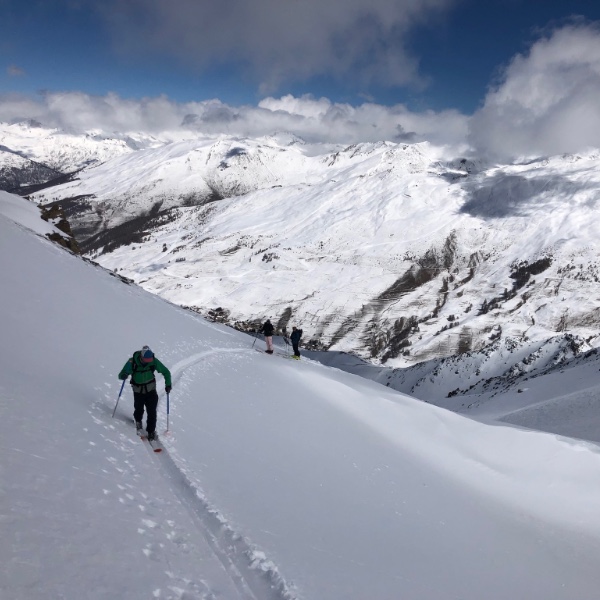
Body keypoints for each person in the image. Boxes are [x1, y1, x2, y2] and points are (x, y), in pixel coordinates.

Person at [118, 345, 172, 440]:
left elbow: (166, 372)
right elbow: (121, 374)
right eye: (146, 360)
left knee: (152, 412)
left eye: (150, 360)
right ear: (141, 357)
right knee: (138, 409)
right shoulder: (132, 362)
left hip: (151, 391)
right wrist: (124, 375)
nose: (148, 361)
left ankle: (151, 431)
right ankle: (138, 421)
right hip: (138, 391)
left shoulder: (153, 361)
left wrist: (168, 384)